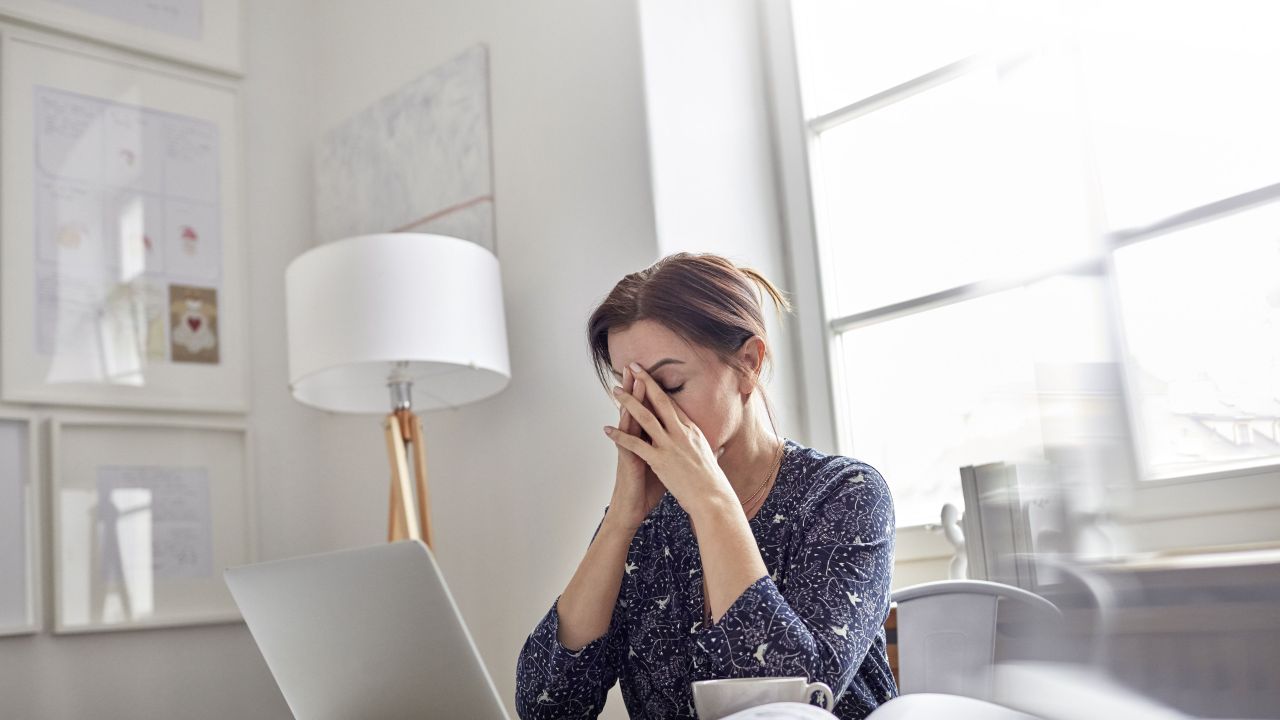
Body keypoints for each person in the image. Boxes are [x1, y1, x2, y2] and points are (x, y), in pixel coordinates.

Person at [515, 253, 897, 719]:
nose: (648, 413)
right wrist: (620, 519)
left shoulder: (845, 495)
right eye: (628, 391)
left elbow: (791, 701)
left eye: (670, 385)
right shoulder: (643, 521)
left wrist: (711, 503)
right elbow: (545, 708)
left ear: (748, 363)